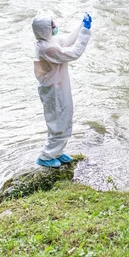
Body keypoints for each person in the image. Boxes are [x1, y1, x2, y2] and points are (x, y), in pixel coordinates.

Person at [31, 12, 92, 168]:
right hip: (53, 90)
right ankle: (46, 155)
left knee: (65, 116)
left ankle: (56, 151)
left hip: (58, 86)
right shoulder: (47, 48)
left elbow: (66, 42)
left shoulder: (49, 41)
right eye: (52, 25)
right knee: (58, 121)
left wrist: (81, 26)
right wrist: (85, 32)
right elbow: (74, 52)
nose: (55, 27)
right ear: (45, 29)